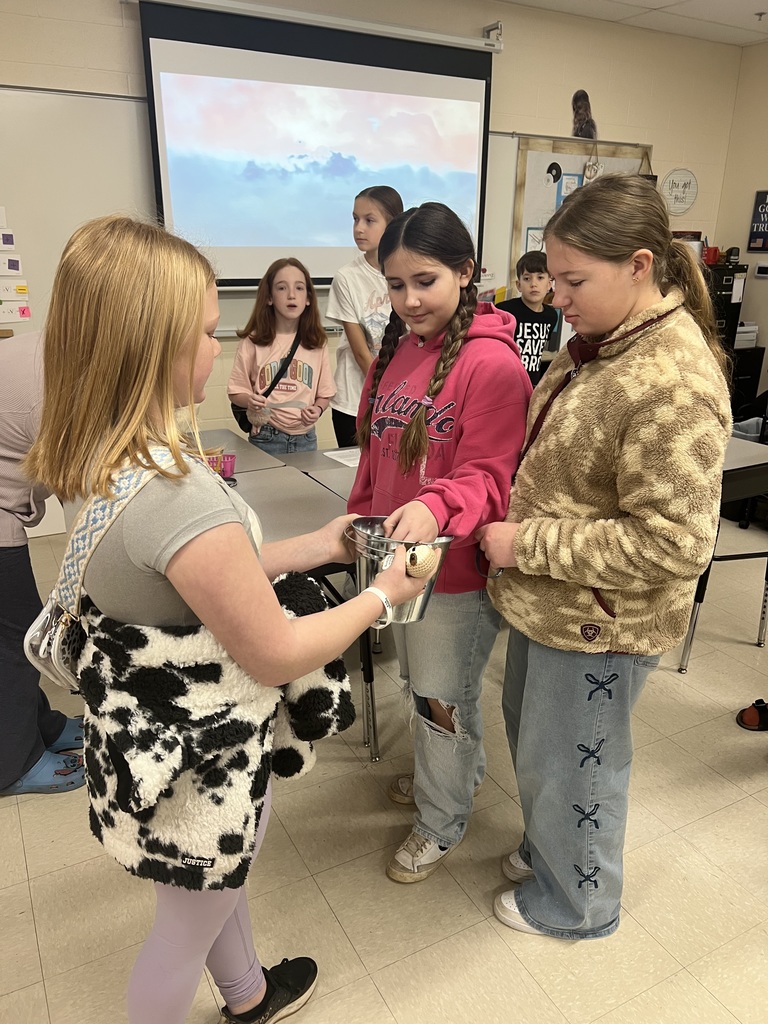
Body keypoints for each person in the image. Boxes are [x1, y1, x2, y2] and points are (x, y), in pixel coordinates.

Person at [24, 215, 429, 1024]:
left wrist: (313, 545)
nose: (218, 350)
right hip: (207, 752)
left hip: (148, 736)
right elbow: (275, 650)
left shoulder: (104, 460)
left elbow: (198, 581)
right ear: (149, 344)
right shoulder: (179, 493)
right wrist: (383, 595)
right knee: (185, 924)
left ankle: (248, 994)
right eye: (207, 334)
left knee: (212, 879)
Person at [477, 174, 732, 940]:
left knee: (579, 767)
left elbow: (674, 543)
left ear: (641, 266)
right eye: (553, 278)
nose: (556, 296)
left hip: (599, 623)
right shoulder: (601, 343)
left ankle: (578, 904)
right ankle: (550, 847)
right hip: (553, 606)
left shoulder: (674, 382)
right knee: (540, 747)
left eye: (573, 280)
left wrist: (526, 542)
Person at [349, 202, 532, 882]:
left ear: (466, 272)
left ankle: (442, 819)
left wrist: (436, 502)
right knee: (422, 686)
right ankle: (447, 778)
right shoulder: (394, 353)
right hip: (398, 566)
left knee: (440, 699)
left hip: (451, 576)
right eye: (396, 285)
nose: (409, 299)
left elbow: (491, 475)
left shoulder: (493, 366)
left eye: (424, 281)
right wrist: (361, 522)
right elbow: (376, 459)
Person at [0, 330, 85, 797]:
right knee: (16, 638)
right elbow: (84, 480)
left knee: (11, 631)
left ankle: (43, 727)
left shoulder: (54, 348)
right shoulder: (59, 381)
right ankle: (14, 764)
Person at [228, 257, 335, 457]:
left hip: (306, 438)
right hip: (267, 435)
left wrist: (318, 410)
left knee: (305, 489)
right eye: (282, 288)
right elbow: (235, 391)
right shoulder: (253, 341)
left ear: (309, 298)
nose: (292, 295)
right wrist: (250, 401)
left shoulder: (317, 343)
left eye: (300, 288)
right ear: (269, 297)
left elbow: (325, 394)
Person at [327, 185, 404, 448]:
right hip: (354, 401)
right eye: (355, 219)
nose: (359, 228)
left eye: (369, 220)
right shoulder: (346, 277)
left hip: (402, 399)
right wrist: (385, 393)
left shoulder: (407, 270)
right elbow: (361, 352)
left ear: (392, 224)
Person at [496, 251, 559, 385]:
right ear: (519, 285)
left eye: (540, 277)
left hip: (531, 382)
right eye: (527, 278)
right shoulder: (504, 310)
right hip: (504, 380)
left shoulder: (551, 316)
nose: (533, 284)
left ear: (549, 284)